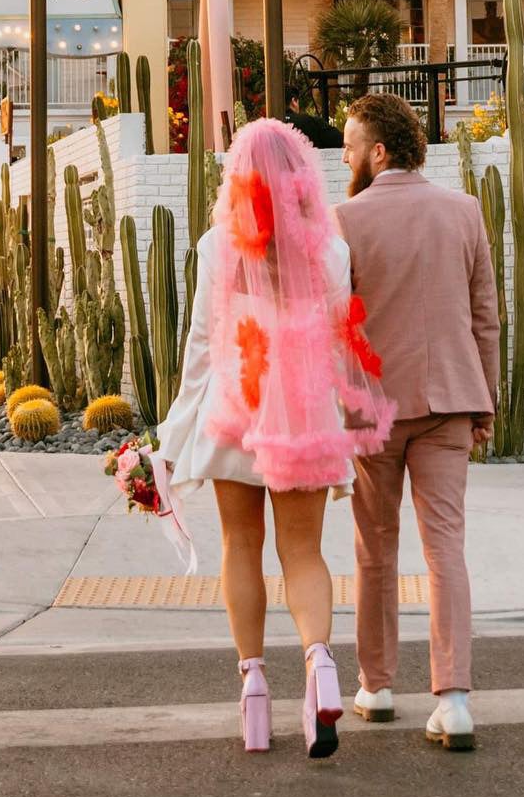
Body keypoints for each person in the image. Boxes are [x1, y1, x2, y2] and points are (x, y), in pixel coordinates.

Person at [160, 117, 394, 759]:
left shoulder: (217, 247)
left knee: (241, 544)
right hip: (305, 416)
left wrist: (173, 437)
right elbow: (339, 337)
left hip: (237, 406)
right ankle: (320, 665)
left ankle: (255, 690)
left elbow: (202, 350)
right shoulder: (330, 250)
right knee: (305, 554)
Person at [337, 92, 498, 751]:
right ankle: (453, 698)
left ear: (378, 151)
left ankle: (376, 686)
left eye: (350, 143)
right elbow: (485, 314)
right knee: (446, 548)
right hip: (451, 400)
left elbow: (333, 321)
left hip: (373, 407)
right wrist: (483, 400)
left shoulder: (343, 219)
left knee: (376, 549)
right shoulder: (464, 211)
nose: (344, 154)